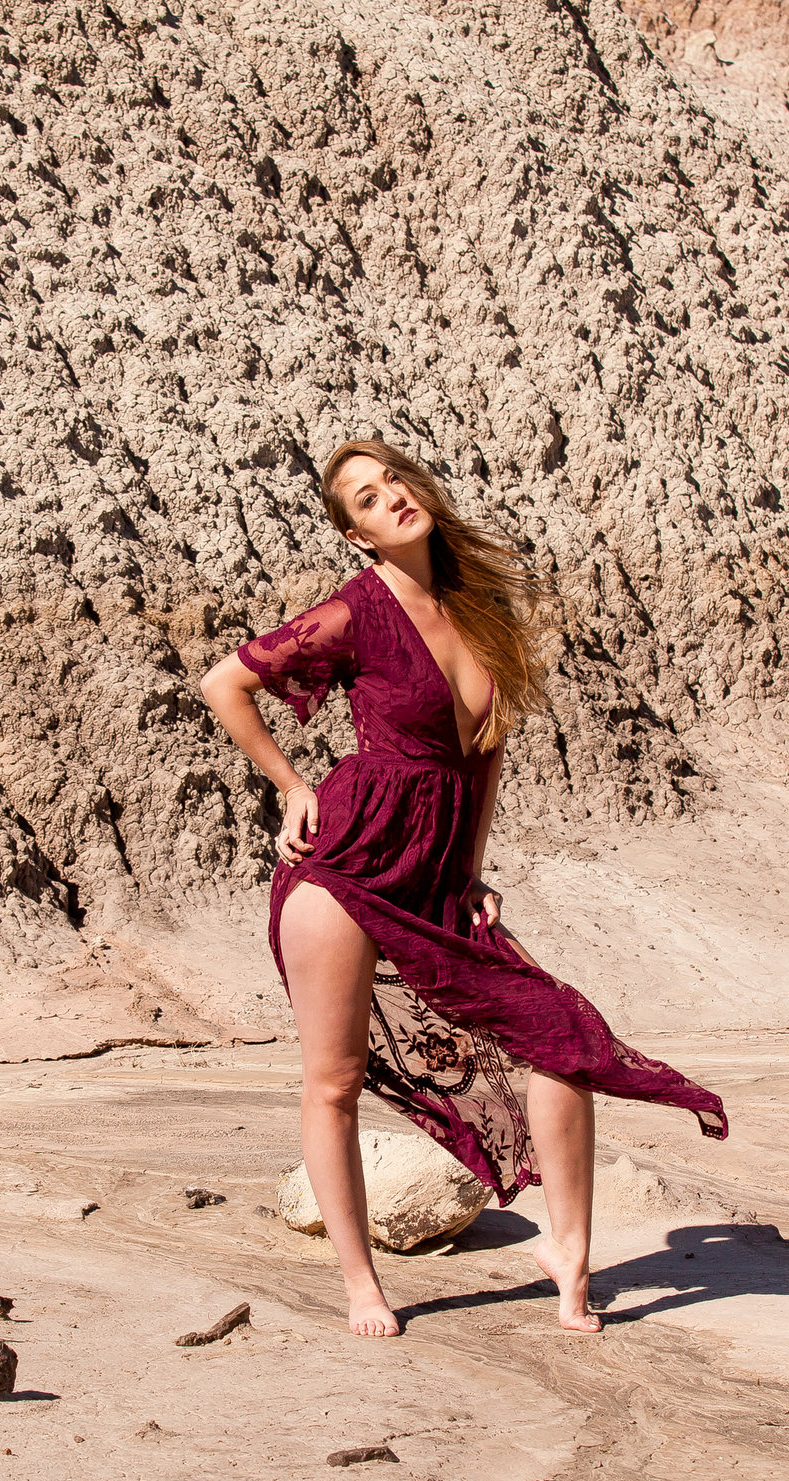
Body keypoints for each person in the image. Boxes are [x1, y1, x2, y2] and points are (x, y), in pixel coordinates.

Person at [198, 439, 728, 1338]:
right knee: (333, 1080)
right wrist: (293, 785)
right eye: (366, 499)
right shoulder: (352, 614)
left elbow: (485, 759)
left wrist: (473, 871)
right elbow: (227, 683)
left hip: (437, 866)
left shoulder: (484, 616)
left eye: (393, 480)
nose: (390, 499)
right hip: (346, 858)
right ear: (357, 535)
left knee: (561, 1042)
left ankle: (569, 1252)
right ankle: (363, 1285)